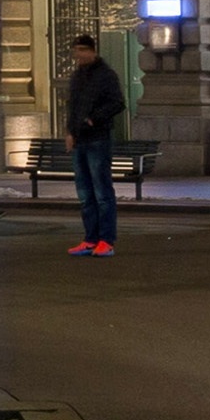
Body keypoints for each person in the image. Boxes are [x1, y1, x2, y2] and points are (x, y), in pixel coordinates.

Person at [63, 33, 126, 259]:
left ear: (92, 51)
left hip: (98, 138)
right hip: (80, 140)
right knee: (85, 193)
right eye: (76, 51)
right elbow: (72, 106)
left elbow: (118, 103)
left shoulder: (106, 76)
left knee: (101, 191)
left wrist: (94, 119)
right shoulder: (77, 77)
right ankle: (90, 238)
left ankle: (106, 240)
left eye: (82, 50)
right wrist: (70, 132)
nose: (78, 55)